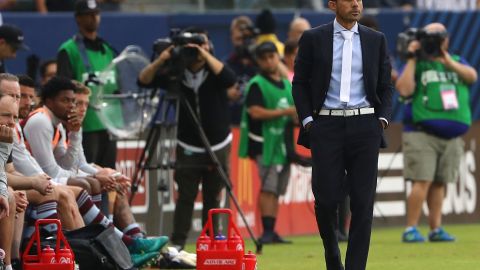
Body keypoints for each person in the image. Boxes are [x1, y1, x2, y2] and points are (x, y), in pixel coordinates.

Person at [292, 0, 394, 269]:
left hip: (365, 127)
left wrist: (381, 120)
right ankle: (331, 252)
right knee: (325, 200)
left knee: (363, 202)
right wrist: (309, 122)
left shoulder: (376, 40)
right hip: (326, 126)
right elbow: (299, 83)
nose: (356, 4)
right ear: (332, 4)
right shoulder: (313, 38)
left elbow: (386, 86)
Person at [139, 27, 236, 250]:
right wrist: (164, 58)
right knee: (186, 196)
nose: (196, 50)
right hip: (188, 144)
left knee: (213, 197)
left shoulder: (215, 70)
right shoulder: (176, 72)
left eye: (202, 44)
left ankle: (212, 242)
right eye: (191, 46)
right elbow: (143, 80)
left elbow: (229, 79)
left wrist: (204, 54)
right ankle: (179, 243)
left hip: (218, 142)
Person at [395, 23, 477, 243]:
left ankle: (435, 228)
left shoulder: (457, 61)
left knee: (440, 183)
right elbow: (403, 89)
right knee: (421, 180)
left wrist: (446, 59)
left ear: (446, 40)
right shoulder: (417, 63)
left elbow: (471, 77)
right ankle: (411, 228)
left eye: (437, 37)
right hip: (422, 133)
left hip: (451, 137)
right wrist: (412, 57)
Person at [238, 41, 296, 244]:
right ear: (259, 61)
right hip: (265, 142)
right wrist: (285, 112)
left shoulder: (286, 83)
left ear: (277, 57)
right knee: (268, 186)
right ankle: (267, 230)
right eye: (264, 58)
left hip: (283, 143)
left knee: (278, 188)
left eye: (272, 56)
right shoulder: (257, 84)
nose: (269, 60)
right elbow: (254, 112)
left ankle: (272, 229)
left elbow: (295, 110)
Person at [57, 0, 119, 170]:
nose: (93, 18)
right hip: (85, 125)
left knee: (109, 176)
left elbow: (116, 86)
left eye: (96, 13)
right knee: (86, 174)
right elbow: (63, 90)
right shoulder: (68, 50)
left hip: (109, 123)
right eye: (88, 14)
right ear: (78, 18)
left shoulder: (108, 49)